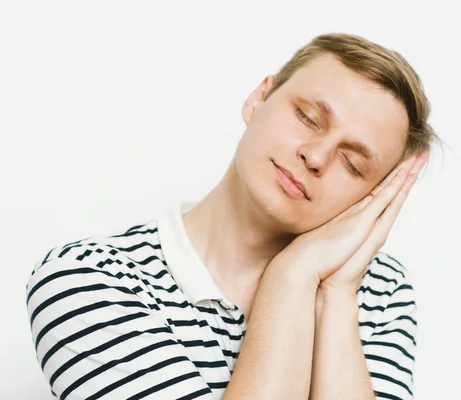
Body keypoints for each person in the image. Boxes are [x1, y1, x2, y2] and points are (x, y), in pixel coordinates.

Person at [25, 33, 439, 400]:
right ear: (258, 99)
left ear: (374, 196)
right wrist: (290, 279)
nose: (315, 156)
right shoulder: (88, 279)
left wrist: (328, 291)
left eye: (352, 164)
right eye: (308, 117)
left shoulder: (380, 292)